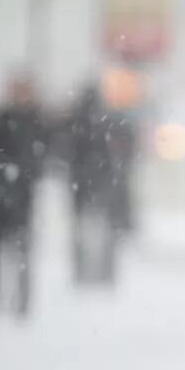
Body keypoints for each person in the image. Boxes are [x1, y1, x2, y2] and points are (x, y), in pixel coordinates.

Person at [0, 74, 46, 317]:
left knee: (22, 251)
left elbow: (40, 157)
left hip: (22, 198)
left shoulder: (35, 121)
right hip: (0, 197)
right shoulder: (0, 121)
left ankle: (22, 300)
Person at [63, 80, 138, 286]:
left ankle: (84, 273)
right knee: (103, 235)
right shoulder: (108, 124)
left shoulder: (76, 124)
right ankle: (103, 274)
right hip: (100, 188)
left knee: (85, 234)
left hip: (84, 188)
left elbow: (68, 154)